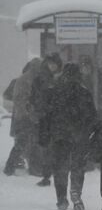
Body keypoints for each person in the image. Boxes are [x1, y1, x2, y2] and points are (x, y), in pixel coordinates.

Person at [40, 64, 96, 210]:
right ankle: (76, 192)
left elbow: (46, 116)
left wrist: (44, 134)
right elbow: (92, 117)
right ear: (79, 76)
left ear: (64, 75)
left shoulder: (54, 93)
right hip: (79, 136)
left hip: (59, 136)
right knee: (78, 166)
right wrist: (90, 133)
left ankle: (61, 198)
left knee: (60, 167)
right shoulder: (85, 93)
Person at [3, 59, 42, 176]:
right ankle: (12, 166)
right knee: (24, 141)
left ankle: (14, 166)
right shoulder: (26, 80)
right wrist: (29, 113)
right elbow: (21, 100)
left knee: (26, 142)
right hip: (25, 117)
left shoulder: (28, 78)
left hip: (24, 116)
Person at [31, 53, 63, 186]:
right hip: (45, 117)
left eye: (54, 64)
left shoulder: (61, 79)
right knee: (46, 147)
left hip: (56, 118)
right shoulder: (40, 79)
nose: (52, 66)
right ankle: (46, 174)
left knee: (56, 147)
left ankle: (56, 173)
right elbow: (33, 97)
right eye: (50, 63)